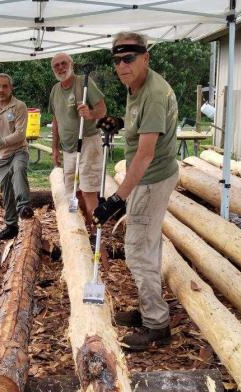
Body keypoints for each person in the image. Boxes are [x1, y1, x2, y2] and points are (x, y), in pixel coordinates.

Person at [93, 32, 180, 351]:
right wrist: (116, 122)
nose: (122, 66)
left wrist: (118, 198)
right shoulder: (136, 86)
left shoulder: (153, 94)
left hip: (151, 178)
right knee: (147, 245)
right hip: (148, 176)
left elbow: (145, 154)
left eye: (128, 58)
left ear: (146, 57)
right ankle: (149, 309)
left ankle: (157, 325)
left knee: (138, 249)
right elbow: (141, 130)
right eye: (116, 60)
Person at [49, 53, 107, 227]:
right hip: (68, 149)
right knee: (72, 191)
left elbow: (102, 110)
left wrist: (89, 114)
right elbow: (55, 121)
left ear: (71, 64)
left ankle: (95, 231)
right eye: (56, 65)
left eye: (63, 63)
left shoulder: (84, 83)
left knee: (89, 190)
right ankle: (82, 228)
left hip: (88, 142)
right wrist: (55, 148)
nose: (61, 67)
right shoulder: (55, 90)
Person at [0, 73, 33, 240]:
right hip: (0, 156)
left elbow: (20, 134)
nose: (1, 90)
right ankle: (11, 225)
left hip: (18, 151)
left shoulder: (19, 106)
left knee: (18, 170)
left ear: (11, 88)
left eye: (5, 86)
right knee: (6, 190)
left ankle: (24, 208)